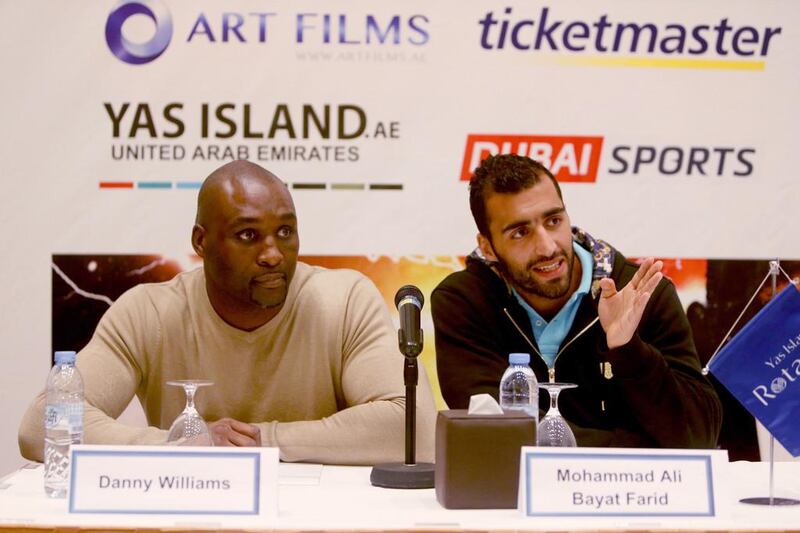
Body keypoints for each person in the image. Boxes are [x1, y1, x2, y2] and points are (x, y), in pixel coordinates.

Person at [19, 160, 436, 465]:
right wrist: (184, 445)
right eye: (248, 235)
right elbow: (41, 425)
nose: (273, 254)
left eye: (285, 232)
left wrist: (264, 440)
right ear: (201, 242)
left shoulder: (344, 300)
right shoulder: (148, 311)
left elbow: (414, 429)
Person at [431, 154, 721, 448]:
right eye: (520, 233)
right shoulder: (464, 303)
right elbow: (497, 433)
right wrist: (634, 450)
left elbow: (698, 435)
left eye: (554, 220)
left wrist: (628, 350)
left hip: (629, 493)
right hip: (515, 491)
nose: (546, 247)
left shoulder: (640, 294)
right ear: (488, 247)